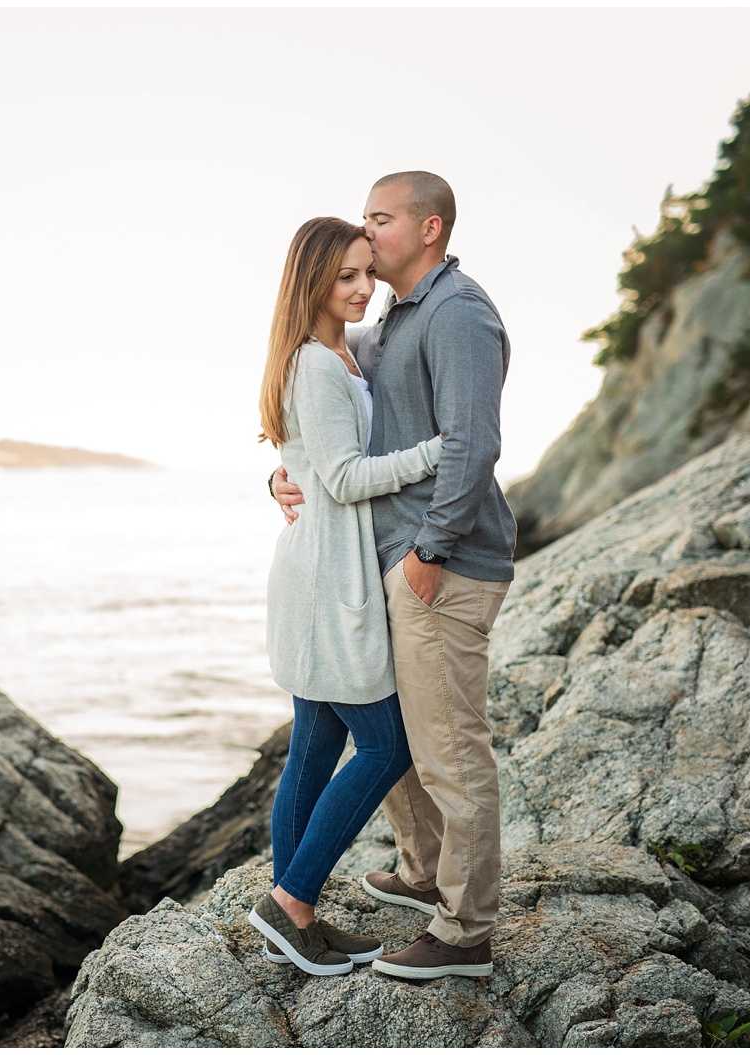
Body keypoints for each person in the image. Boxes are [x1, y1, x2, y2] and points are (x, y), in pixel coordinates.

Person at [273, 171, 517, 981]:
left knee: (446, 750)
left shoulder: (458, 313)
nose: (367, 236)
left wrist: (432, 552)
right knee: (401, 740)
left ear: (429, 228)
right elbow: (323, 418)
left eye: (380, 221)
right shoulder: (390, 321)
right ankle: (419, 872)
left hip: (437, 566)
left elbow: (472, 444)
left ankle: (464, 932)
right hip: (378, 563)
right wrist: (281, 476)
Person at [249, 216, 446, 977]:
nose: (364, 288)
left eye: (369, 271)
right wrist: (439, 452)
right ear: (313, 284)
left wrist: (275, 477)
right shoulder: (317, 365)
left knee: (315, 744)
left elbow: (302, 464)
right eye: (347, 278)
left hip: (321, 569)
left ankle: (289, 909)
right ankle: (293, 903)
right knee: (386, 743)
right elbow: (340, 477)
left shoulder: (339, 353)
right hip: (328, 580)